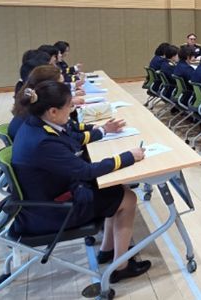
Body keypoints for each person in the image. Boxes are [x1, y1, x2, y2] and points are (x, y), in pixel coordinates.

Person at [11, 81, 150, 282]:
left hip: (48, 197)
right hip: (54, 211)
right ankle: (121, 267)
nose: (72, 110)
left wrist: (103, 131)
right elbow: (86, 171)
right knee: (128, 199)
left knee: (116, 189)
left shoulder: (36, 124)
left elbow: (71, 140)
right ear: (53, 112)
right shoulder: (44, 141)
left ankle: (107, 250)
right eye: (69, 106)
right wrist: (128, 156)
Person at [10, 65, 123, 144]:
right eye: (61, 83)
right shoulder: (39, 111)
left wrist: (96, 128)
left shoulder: (35, 102)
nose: (65, 86)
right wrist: (103, 130)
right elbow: (69, 137)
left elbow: (69, 128)